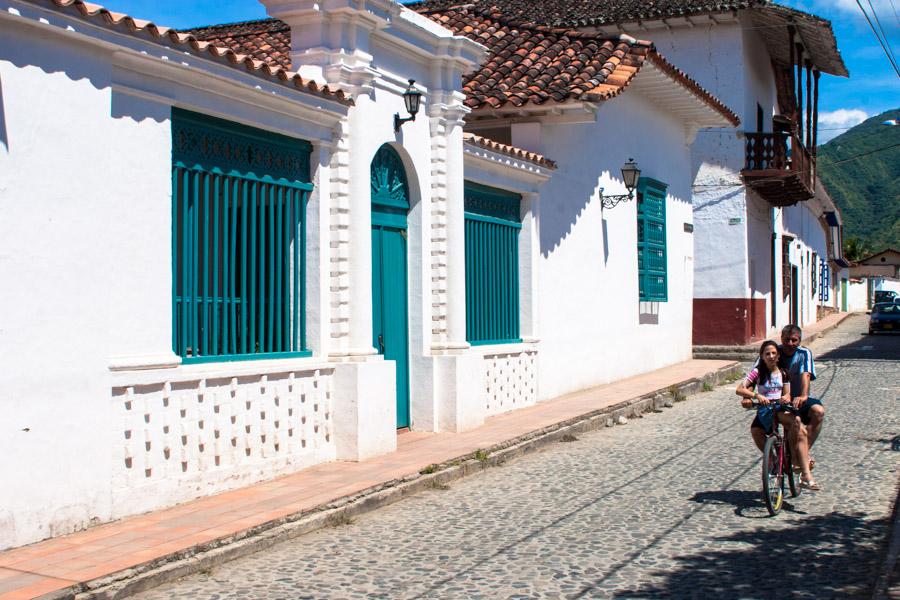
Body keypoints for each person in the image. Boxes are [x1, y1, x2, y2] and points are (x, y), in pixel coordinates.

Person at [737, 340, 819, 490]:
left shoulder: (783, 373)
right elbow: (740, 389)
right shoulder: (758, 372)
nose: (771, 356)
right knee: (756, 431)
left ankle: (805, 473)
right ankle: (773, 460)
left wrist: (787, 397)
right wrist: (755, 396)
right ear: (761, 356)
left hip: (779, 409)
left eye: (774, 353)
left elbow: (787, 393)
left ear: (778, 356)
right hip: (765, 410)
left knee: (798, 426)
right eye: (767, 353)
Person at [778, 324, 825, 470]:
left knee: (818, 412)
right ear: (781, 339)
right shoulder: (774, 351)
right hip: (776, 400)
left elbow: (806, 374)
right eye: (787, 340)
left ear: (799, 341)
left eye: (794, 340)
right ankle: (793, 456)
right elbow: (756, 371)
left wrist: (804, 395)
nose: (790, 344)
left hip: (799, 398)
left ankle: (802, 452)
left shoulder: (804, 353)